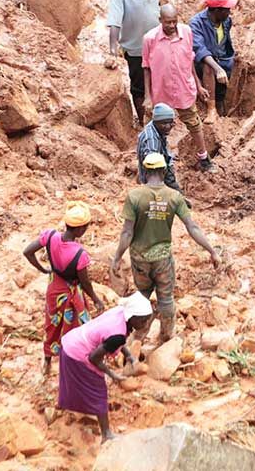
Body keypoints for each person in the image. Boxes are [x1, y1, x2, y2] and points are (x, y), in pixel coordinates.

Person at [110, 153, 220, 343]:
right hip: (162, 259)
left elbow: (127, 232)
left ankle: (137, 337)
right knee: (166, 298)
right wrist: (212, 251)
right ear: (164, 170)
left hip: (139, 258)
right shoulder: (174, 196)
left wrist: (117, 257)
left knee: (143, 295)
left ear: (144, 171)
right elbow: (192, 227)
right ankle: (167, 336)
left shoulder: (134, 196)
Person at [22, 201, 106, 377]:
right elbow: (85, 283)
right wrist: (96, 299)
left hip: (54, 287)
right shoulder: (79, 254)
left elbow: (28, 251)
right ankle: (72, 364)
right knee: (76, 327)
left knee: (52, 324)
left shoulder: (50, 236)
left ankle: (47, 360)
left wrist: (43, 269)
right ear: (80, 229)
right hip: (71, 292)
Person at [57, 293, 153, 441]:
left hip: (71, 342)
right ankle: (106, 434)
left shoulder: (120, 312)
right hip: (78, 353)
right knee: (98, 391)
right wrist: (113, 375)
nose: (146, 324)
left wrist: (128, 355)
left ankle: (67, 405)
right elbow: (94, 358)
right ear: (133, 317)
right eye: (144, 319)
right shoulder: (118, 334)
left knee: (76, 383)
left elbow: (114, 338)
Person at [143, 4, 216, 173]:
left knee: (194, 123)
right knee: (158, 126)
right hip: (162, 91)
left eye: (174, 21)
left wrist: (198, 86)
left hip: (184, 88)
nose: (171, 26)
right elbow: (146, 67)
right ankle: (157, 161)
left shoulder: (187, 33)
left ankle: (204, 158)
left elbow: (189, 60)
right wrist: (148, 95)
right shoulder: (150, 39)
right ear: (160, 20)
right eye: (168, 22)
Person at [106, 0, 162, 123]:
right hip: (136, 48)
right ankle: (143, 121)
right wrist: (113, 50)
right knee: (138, 86)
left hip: (158, 43)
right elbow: (114, 23)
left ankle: (161, 116)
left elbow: (159, 1)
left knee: (159, 79)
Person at [188, 0, 237, 118]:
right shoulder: (196, 23)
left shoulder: (226, 21)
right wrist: (217, 68)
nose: (229, 12)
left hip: (223, 60)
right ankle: (211, 109)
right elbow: (200, 50)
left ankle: (221, 113)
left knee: (222, 91)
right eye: (227, 9)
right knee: (208, 66)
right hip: (204, 63)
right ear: (217, 11)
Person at [136, 103, 181, 192]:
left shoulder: (156, 128)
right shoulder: (151, 140)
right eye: (164, 123)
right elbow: (153, 167)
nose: (168, 126)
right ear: (156, 121)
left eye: (171, 122)